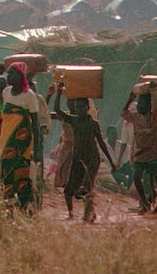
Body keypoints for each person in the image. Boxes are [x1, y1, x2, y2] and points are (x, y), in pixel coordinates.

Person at [53, 85, 116, 222]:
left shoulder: (93, 124)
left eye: (82, 107)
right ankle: (71, 213)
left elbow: (101, 143)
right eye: (77, 107)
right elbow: (57, 110)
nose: (79, 110)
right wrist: (58, 92)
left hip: (92, 158)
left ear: (88, 108)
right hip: (78, 158)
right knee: (69, 189)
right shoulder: (73, 120)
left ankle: (88, 214)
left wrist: (111, 161)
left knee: (87, 186)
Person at [121, 83, 157, 215]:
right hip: (141, 152)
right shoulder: (136, 116)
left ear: (149, 105)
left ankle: (155, 205)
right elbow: (123, 113)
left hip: (156, 152)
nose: (140, 106)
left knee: (154, 181)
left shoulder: (155, 116)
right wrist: (130, 98)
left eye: (143, 104)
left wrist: (154, 92)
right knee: (136, 176)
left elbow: (156, 107)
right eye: (139, 104)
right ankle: (144, 203)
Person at [0, 62, 39, 212]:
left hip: (22, 141)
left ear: (20, 76)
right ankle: (8, 206)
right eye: (8, 73)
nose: (8, 76)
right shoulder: (6, 92)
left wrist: (37, 148)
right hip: (5, 139)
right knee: (6, 171)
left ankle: (24, 205)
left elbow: (35, 123)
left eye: (12, 73)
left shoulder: (29, 96)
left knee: (22, 171)